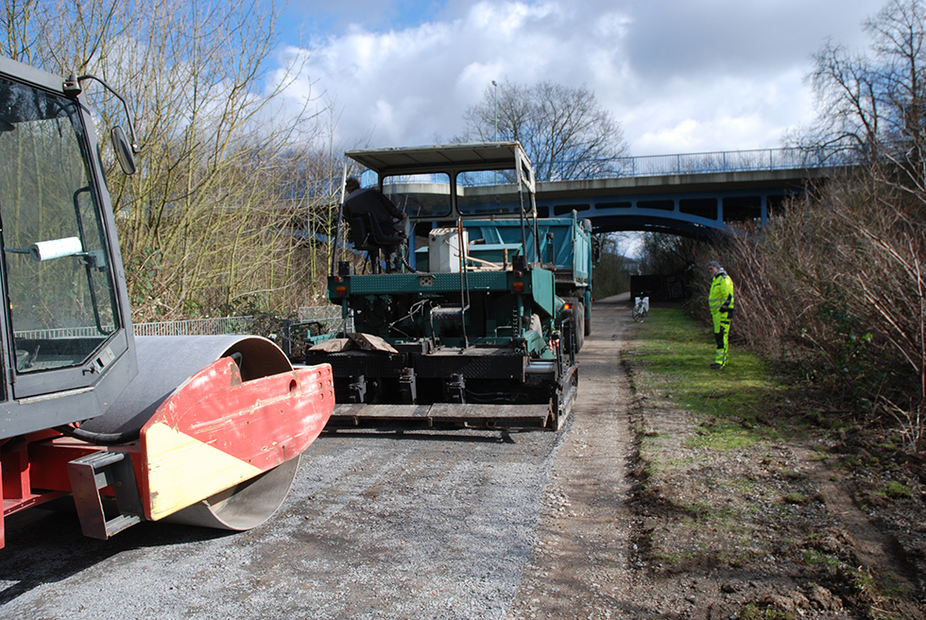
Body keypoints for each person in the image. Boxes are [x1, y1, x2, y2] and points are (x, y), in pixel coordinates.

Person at [343, 177, 408, 273]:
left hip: (365, 237)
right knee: (392, 241)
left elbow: (349, 221)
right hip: (383, 231)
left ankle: (375, 270)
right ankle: (393, 270)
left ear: (348, 190)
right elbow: (390, 209)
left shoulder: (346, 203)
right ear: (359, 185)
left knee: (373, 243)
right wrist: (401, 215)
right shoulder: (373, 193)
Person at [707, 260, 734, 369]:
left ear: (717, 268)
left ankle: (720, 362)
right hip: (717, 314)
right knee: (719, 336)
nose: (710, 271)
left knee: (722, 337)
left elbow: (728, 296)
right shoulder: (716, 279)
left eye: (711, 268)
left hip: (723, 314)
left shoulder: (723, 279)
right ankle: (722, 360)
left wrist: (723, 309)